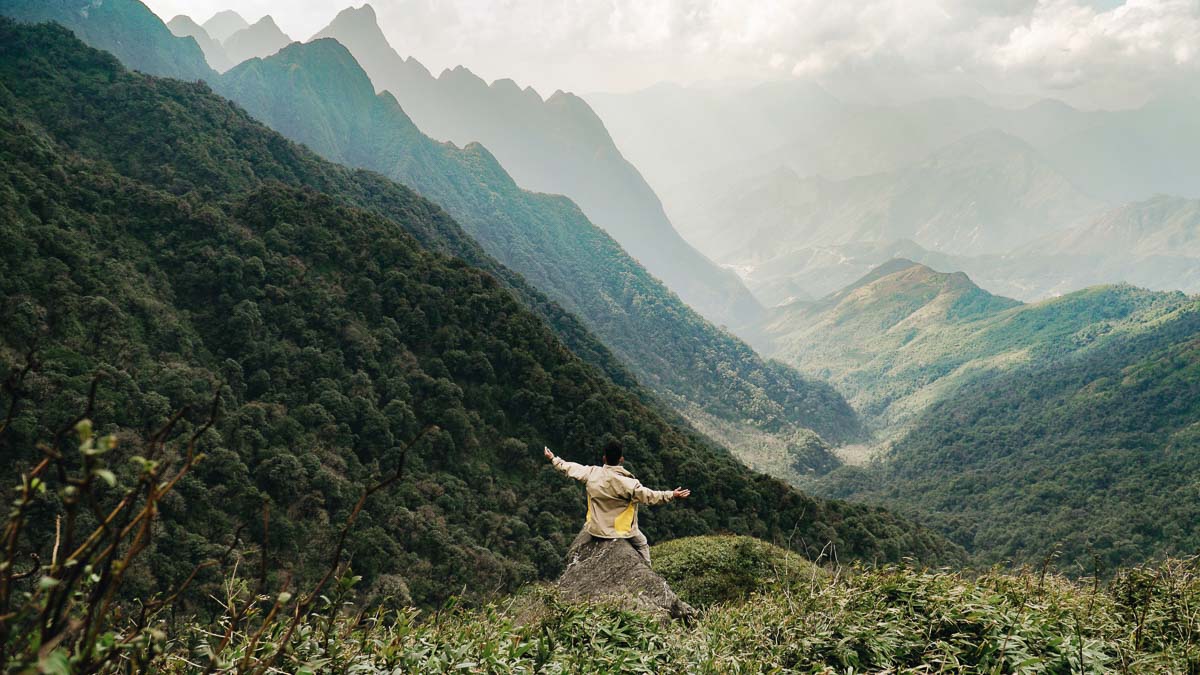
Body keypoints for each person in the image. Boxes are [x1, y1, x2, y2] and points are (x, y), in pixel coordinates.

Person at [544, 439, 690, 566]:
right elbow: (650, 496)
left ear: (604, 458)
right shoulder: (628, 483)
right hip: (620, 531)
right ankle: (648, 571)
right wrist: (672, 494)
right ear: (621, 459)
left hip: (595, 529)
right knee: (642, 543)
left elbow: (570, 468)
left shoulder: (592, 473)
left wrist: (553, 459)